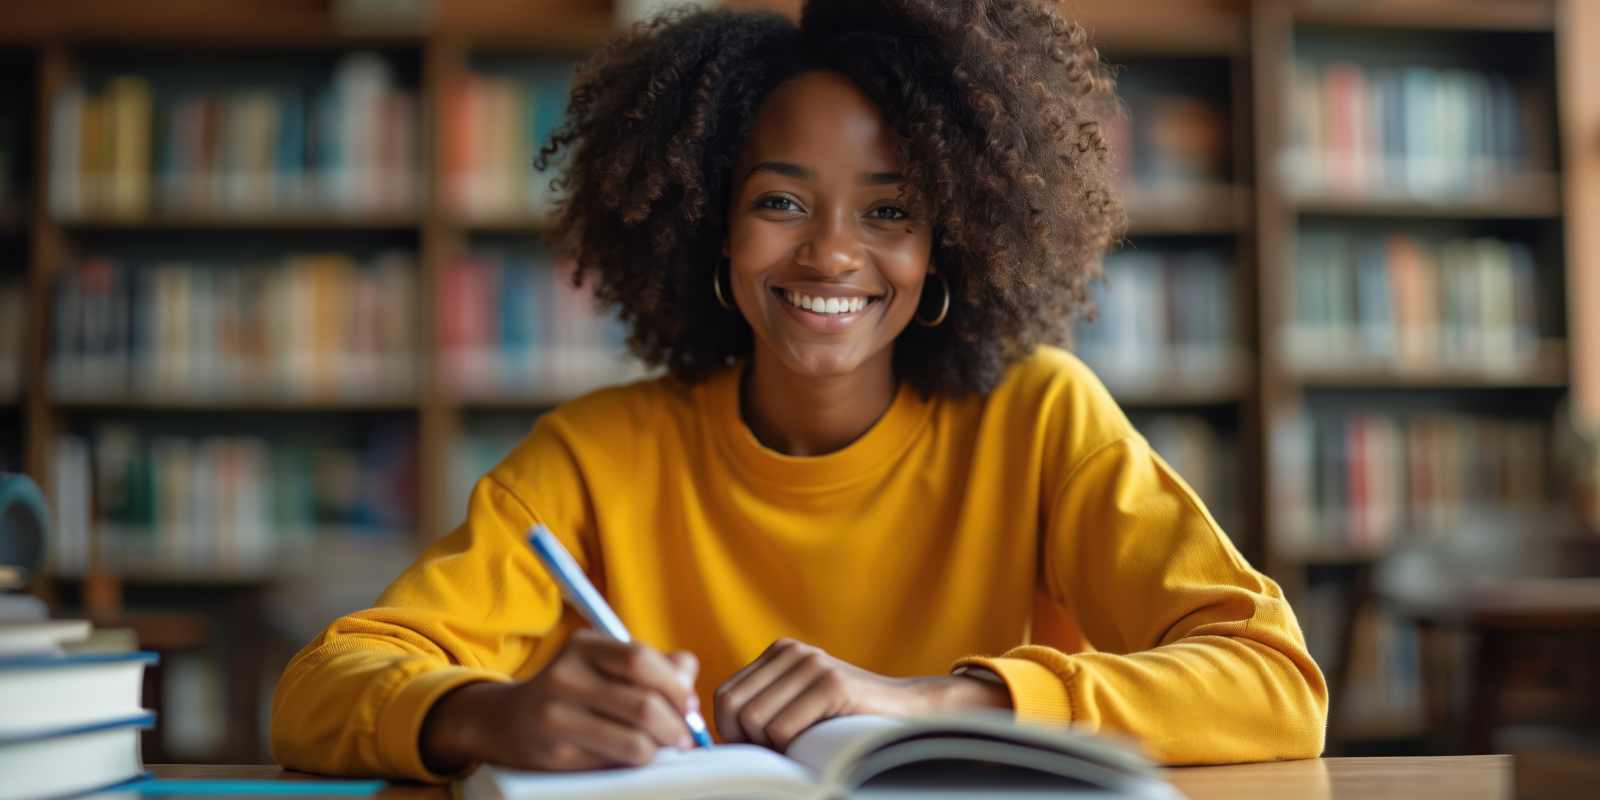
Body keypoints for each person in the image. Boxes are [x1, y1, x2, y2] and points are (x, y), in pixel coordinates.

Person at [270, 0, 1327, 781]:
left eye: (889, 212)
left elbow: (1273, 682)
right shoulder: (596, 456)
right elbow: (319, 688)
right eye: (780, 201)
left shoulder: (1039, 418)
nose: (830, 254)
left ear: (950, 240)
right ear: (711, 227)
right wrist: (487, 716)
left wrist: (937, 701)